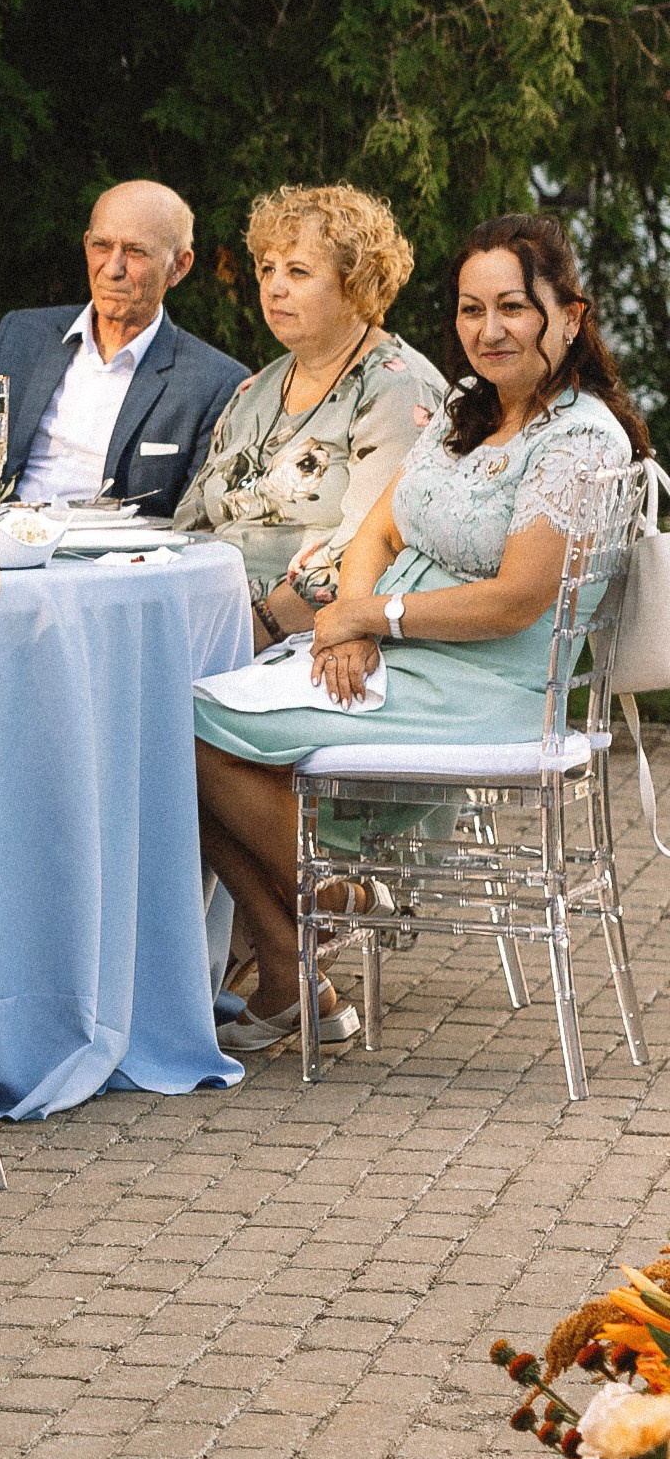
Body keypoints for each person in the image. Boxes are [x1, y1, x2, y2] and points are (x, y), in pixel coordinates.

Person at [192, 212, 650, 1061]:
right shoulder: (466, 414)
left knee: (199, 738)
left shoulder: (581, 437)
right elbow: (375, 532)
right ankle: (299, 962)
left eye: (512, 307)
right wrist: (348, 625)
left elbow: (517, 599)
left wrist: (378, 618)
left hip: (493, 683)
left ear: (571, 316)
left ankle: (325, 907)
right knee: (188, 721)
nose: (488, 329)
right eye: (471, 310)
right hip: (399, 654)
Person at [175, 185, 445, 644]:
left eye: (298, 271)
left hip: (307, 638)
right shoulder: (253, 390)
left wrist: (259, 626)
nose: (274, 287)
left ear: (356, 283)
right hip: (204, 617)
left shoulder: (398, 389)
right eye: (267, 269)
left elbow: (370, 548)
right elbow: (191, 522)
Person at [0, 180, 245, 515]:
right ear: (86, 246)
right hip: (3, 548)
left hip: (113, 562)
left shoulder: (214, 384)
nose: (113, 268)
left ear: (179, 266)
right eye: (101, 246)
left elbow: (194, 522)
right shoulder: (21, 336)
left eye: (136, 252)